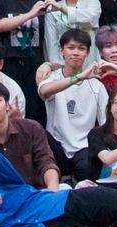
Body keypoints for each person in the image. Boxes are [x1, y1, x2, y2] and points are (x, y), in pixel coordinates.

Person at [35, 27, 110, 180]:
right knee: (37, 132)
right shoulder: (53, 77)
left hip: (84, 146)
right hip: (55, 145)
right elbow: (44, 91)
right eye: (70, 47)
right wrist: (79, 77)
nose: (76, 53)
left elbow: (106, 122)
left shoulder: (97, 85)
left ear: (88, 53)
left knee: (86, 169)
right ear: (61, 51)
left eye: (81, 48)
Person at [0, 80, 58, 188]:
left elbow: (46, 163)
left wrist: (52, 190)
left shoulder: (31, 128)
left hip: (34, 192)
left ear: (7, 105)